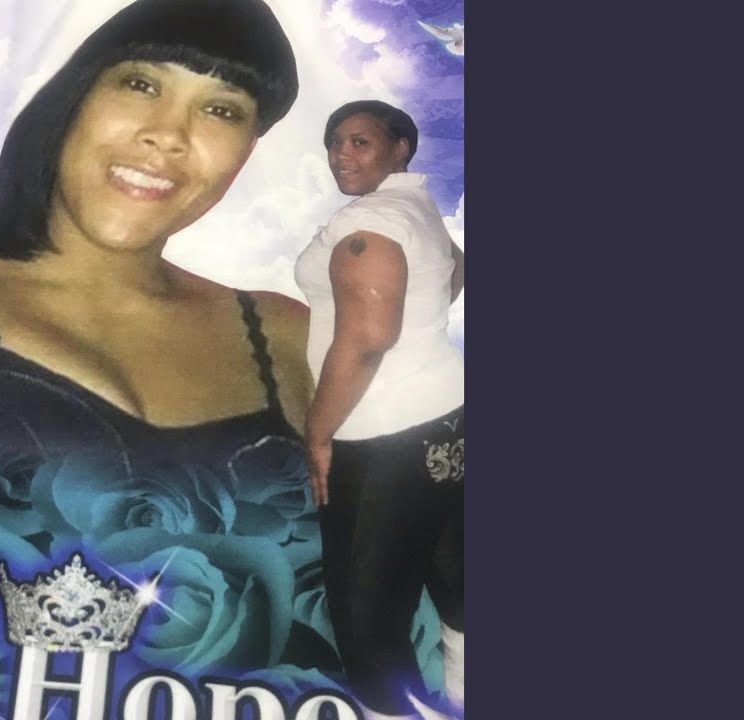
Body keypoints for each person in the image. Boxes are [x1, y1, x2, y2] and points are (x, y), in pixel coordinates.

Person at [0, 0, 356, 710]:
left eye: (222, 109)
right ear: (74, 95)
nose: (169, 134)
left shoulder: (291, 337)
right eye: (141, 84)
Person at [295, 100, 465, 719]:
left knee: (367, 621)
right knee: (455, 580)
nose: (341, 154)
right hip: (447, 414)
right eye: (334, 141)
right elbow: (458, 269)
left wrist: (319, 433)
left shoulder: (370, 223)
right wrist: (424, 324)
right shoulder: (415, 207)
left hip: (380, 434)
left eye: (359, 141)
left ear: (400, 149)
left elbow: (367, 339)